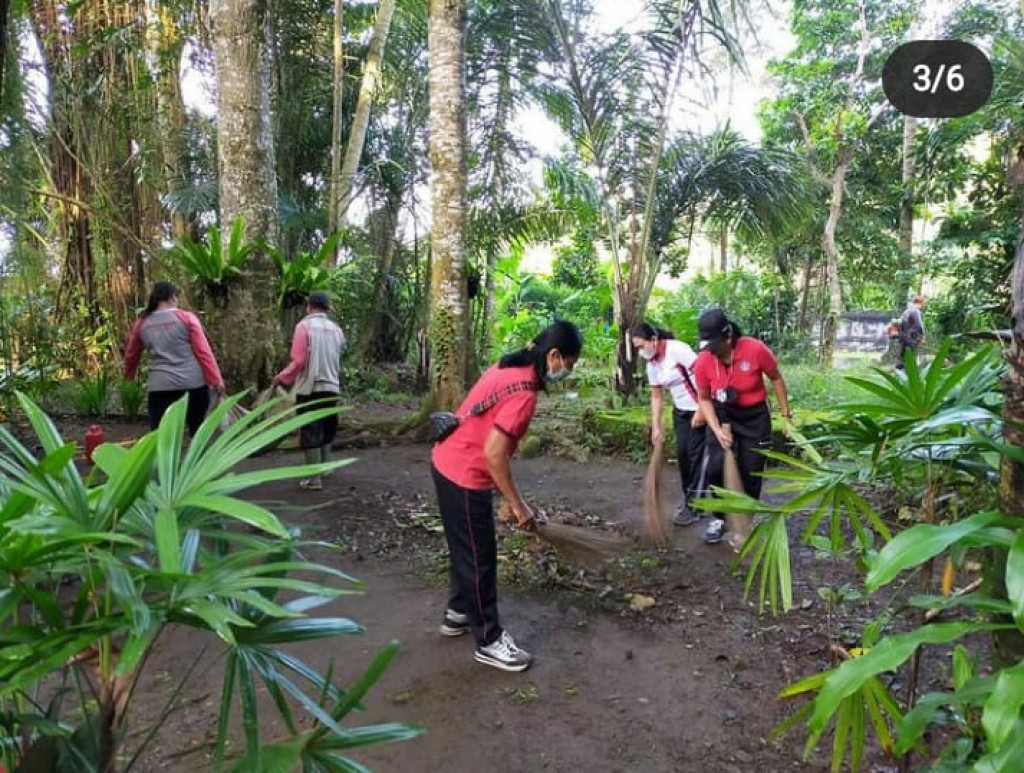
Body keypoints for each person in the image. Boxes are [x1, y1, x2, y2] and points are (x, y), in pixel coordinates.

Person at [431, 320, 583, 672]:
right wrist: (519, 506)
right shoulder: (524, 393)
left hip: (445, 460)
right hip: (465, 475)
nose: (568, 373)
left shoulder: (506, 364)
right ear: (554, 356)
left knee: (464, 546)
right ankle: (488, 640)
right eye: (569, 365)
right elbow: (494, 454)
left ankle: (457, 613)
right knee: (479, 557)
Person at [692, 308, 792, 548]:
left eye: (715, 345)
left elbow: (776, 377)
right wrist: (716, 429)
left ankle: (743, 523)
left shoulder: (755, 350)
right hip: (722, 413)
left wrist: (786, 414)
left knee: (751, 470)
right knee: (715, 467)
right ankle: (720, 518)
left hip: (754, 417)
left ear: (728, 337)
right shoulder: (704, 361)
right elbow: (704, 398)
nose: (711, 351)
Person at [124, 281, 226, 436]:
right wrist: (216, 380)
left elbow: (131, 355)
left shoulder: (142, 323)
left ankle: (164, 460)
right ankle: (196, 459)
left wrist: (128, 377)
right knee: (197, 432)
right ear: (172, 297)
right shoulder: (186, 318)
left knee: (160, 435)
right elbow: (204, 352)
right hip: (193, 385)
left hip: (160, 386)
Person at [630, 322, 706, 526]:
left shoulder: (677, 350)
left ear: (653, 340)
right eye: (636, 348)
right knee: (683, 455)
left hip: (701, 408)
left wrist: (702, 408)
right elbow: (656, 397)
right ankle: (692, 500)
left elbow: (703, 375)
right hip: (681, 411)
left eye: (640, 346)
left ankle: (695, 506)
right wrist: (656, 426)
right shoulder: (652, 364)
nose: (640, 352)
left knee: (696, 456)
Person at [272, 292, 347, 491]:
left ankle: (314, 478)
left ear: (309, 306)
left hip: (310, 386)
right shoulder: (336, 329)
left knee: (310, 428)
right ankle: (326, 468)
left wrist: (282, 378)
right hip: (332, 385)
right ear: (327, 308)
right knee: (328, 425)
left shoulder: (304, 327)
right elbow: (339, 354)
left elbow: (299, 360)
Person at [896, 296, 925, 370]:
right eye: (922, 304)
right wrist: (922, 338)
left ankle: (899, 376)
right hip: (911, 339)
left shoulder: (906, 311)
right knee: (911, 359)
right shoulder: (916, 311)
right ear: (920, 303)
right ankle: (909, 377)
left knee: (902, 359)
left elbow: (900, 324)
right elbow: (919, 325)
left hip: (903, 338)